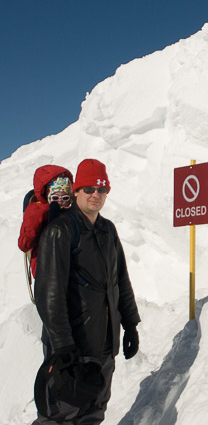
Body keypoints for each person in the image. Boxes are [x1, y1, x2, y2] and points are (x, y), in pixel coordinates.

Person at [34, 159, 140, 423]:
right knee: (60, 414)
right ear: (76, 191)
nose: (96, 194)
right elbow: (49, 295)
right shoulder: (60, 231)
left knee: (94, 411)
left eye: (102, 189)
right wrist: (63, 345)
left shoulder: (108, 230)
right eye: (90, 188)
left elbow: (121, 282)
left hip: (103, 345)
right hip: (73, 347)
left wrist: (130, 325)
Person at [19, 165, 74, 280]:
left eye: (65, 198)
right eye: (55, 198)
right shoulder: (37, 211)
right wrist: (37, 218)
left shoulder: (71, 211)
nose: (60, 202)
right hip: (44, 264)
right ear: (47, 196)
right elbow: (24, 244)